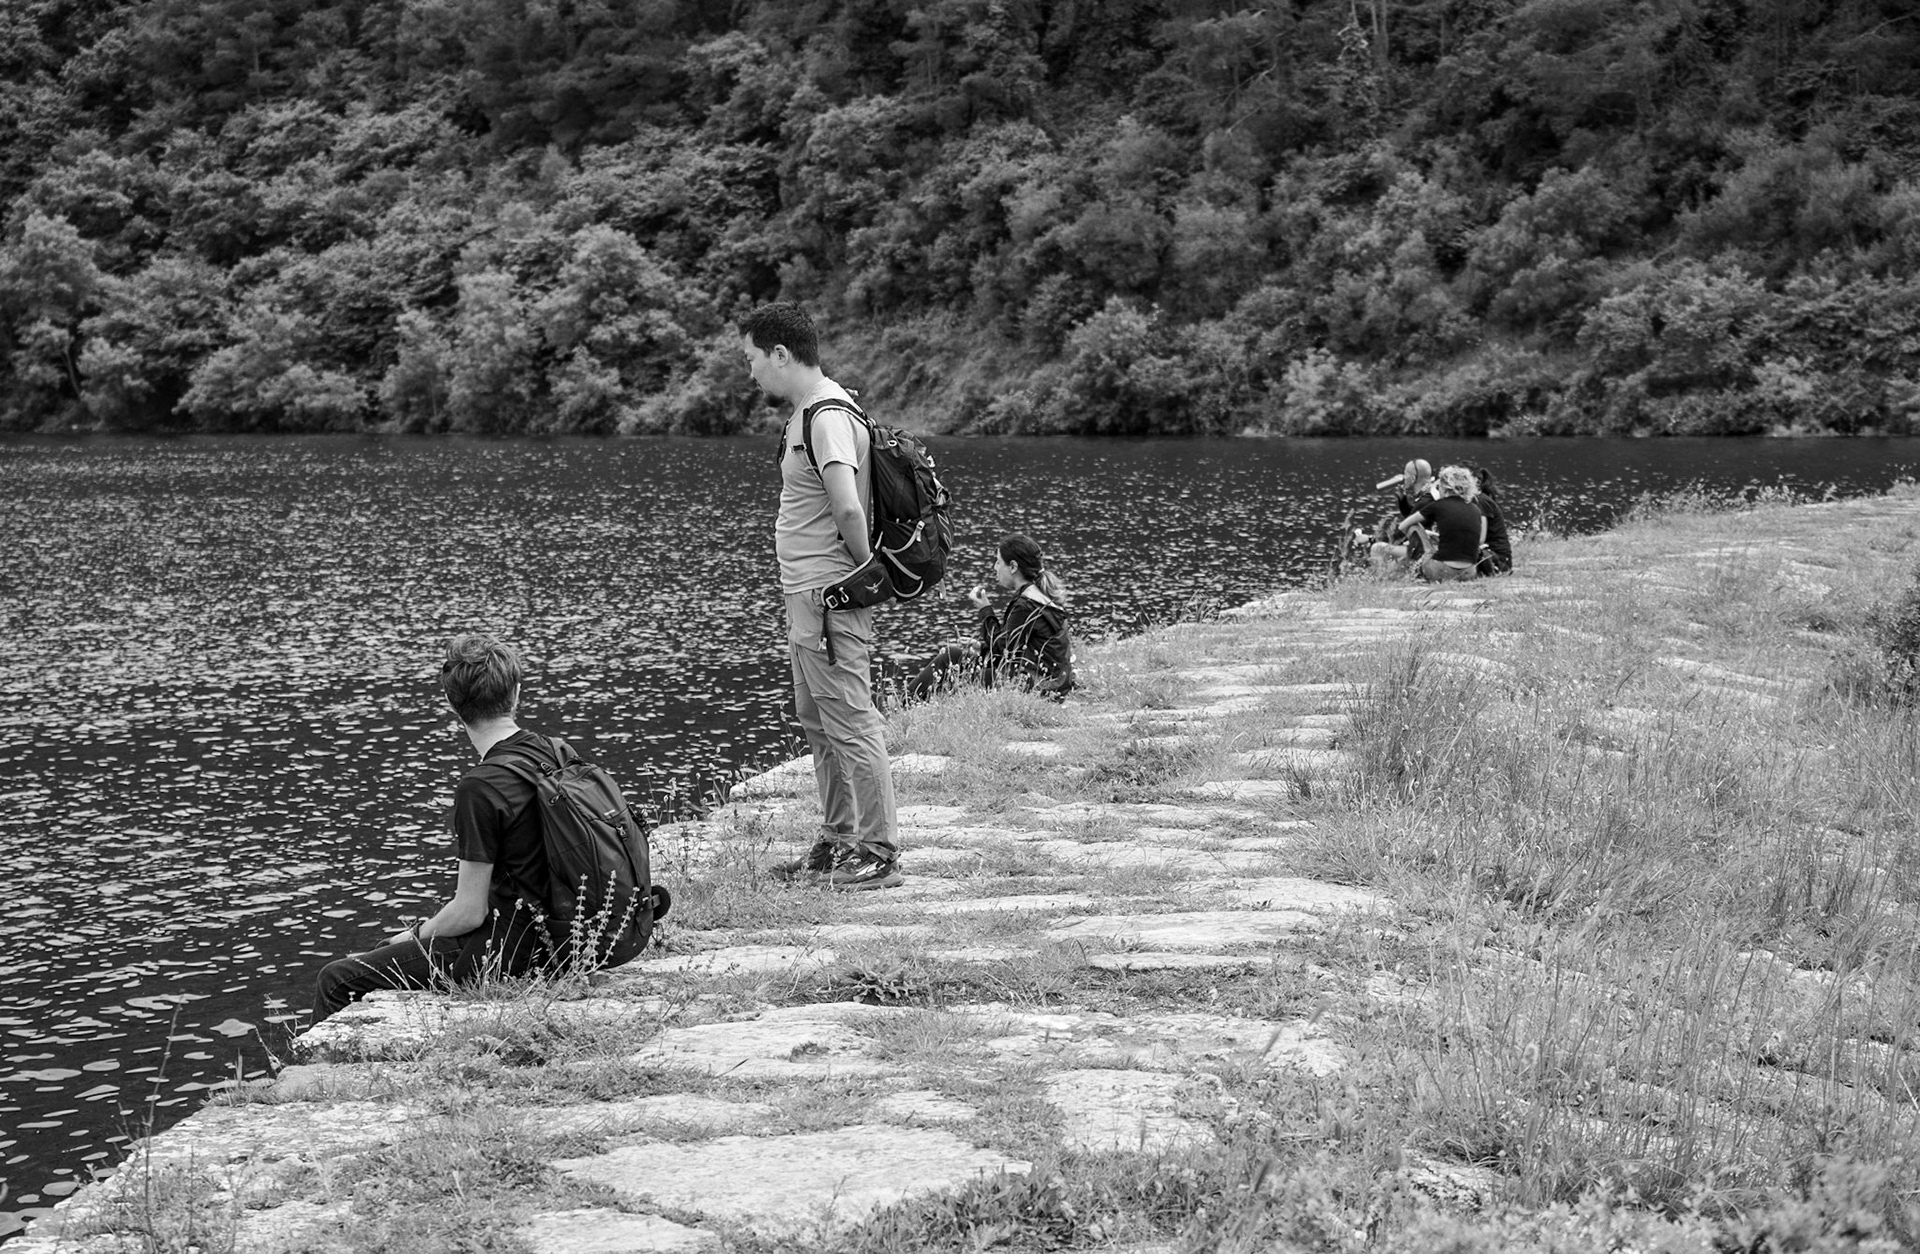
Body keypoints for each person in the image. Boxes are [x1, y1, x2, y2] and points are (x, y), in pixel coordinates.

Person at [741, 301, 902, 891]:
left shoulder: (827, 415)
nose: (751, 371)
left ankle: (878, 852)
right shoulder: (810, 411)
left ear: (781, 355)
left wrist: (861, 574)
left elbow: (848, 505)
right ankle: (837, 842)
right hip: (806, 594)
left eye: (753, 359)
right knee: (818, 719)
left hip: (828, 595)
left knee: (852, 720)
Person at [312, 634, 556, 1022]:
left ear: (450, 703)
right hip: (570, 930)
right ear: (517, 694)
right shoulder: (553, 752)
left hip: (518, 949)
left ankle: (324, 1080)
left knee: (337, 979)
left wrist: (413, 934)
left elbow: (470, 912)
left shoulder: (482, 786)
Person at [908, 533, 1074, 702]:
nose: (995, 567)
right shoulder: (1039, 596)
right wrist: (981, 647)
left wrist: (985, 610)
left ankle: (900, 703)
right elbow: (1011, 649)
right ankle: (905, 702)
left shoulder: (1026, 605)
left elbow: (1004, 651)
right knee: (953, 655)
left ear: (1013, 566)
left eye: (998, 562)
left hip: (1038, 687)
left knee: (950, 663)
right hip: (1052, 682)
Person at [1399, 465, 1486, 582]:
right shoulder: (1475, 509)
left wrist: (1418, 542)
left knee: (1413, 527)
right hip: (1469, 572)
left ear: (1445, 488)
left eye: (1438, 486)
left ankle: (1415, 573)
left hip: (1441, 571)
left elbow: (1403, 525)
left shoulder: (1438, 505)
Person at [1368, 458, 1436, 568]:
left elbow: (1400, 533)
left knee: (1377, 548)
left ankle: (1380, 581)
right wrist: (1403, 499)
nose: (1403, 477)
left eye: (1405, 473)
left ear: (1413, 478)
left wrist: (1370, 539)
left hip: (1428, 552)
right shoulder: (1430, 495)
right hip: (1428, 545)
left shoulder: (1426, 500)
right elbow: (1414, 517)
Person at [1471, 464, 1513, 576]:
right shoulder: (1476, 500)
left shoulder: (1480, 502)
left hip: (1499, 560)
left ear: (1476, 482)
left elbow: (1480, 539)